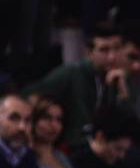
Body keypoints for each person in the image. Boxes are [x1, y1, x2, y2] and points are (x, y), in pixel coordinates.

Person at [24, 21, 123, 151]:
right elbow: (27, 95)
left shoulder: (114, 78)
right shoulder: (71, 73)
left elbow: (124, 125)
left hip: (98, 145)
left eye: (116, 49)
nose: (112, 57)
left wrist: (123, 93)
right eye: (104, 50)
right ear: (89, 52)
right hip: (73, 146)